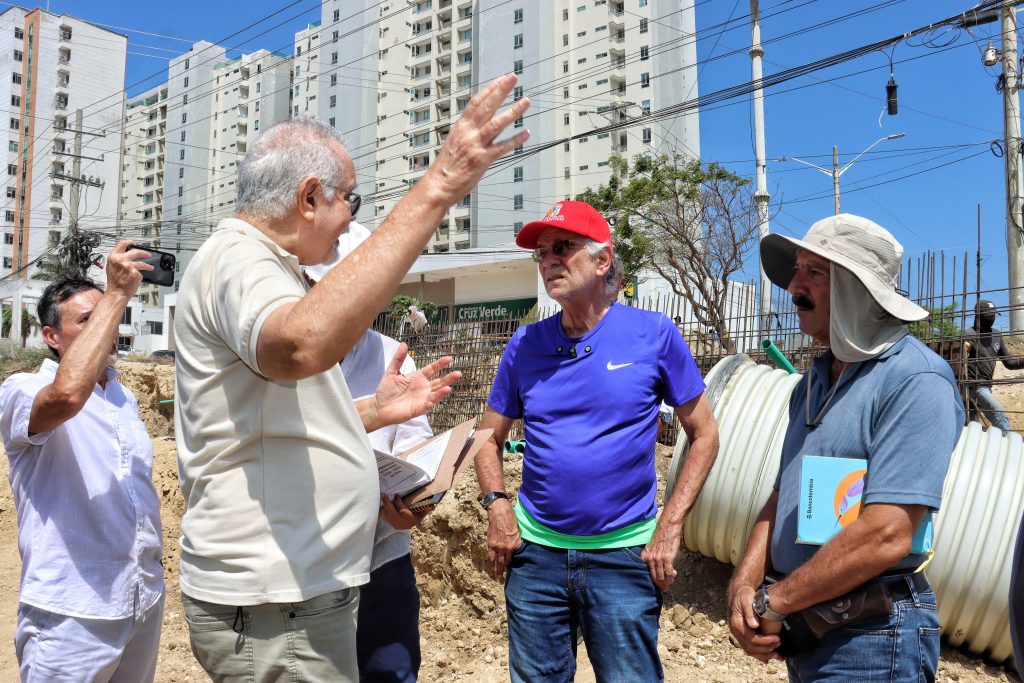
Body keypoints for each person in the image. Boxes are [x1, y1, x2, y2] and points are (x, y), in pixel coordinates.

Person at [173, 74, 529, 682]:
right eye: (351, 201)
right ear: (310, 197)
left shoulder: (260, 266)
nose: (349, 222)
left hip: (301, 591)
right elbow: (300, 344)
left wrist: (369, 412)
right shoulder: (239, 258)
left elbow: (270, 422)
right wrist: (440, 183)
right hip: (278, 599)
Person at [474, 200, 720, 682]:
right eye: (541, 253)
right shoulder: (525, 345)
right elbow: (487, 437)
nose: (548, 261)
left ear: (602, 260)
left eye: (562, 248)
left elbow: (705, 434)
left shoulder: (653, 335)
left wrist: (670, 526)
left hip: (623, 556)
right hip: (536, 557)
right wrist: (497, 507)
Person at [727, 214, 965, 681]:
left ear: (860, 291)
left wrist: (775, 601)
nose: (793, 287)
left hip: (874, 636)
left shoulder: (916, 380)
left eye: (814, 273)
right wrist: (745, 583)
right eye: (797, 270)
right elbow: (782, 496)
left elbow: (887, 533)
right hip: (812, 627)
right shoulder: (812, 383)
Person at [0, 244, 165, 682]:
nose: (105, 328)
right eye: (86, 320)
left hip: (141, 599)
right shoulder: (23, 389)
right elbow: (66, 397)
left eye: (107, 317)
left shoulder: (122, 397)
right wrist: (116, 294)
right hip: (72, 611)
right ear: (52, 337)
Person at [305, 231, 433, 682]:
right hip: (306, 563)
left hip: (382, 556)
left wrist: (416, 502)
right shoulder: (283, 363)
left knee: (390, 672)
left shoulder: (392, 356)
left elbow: (416, 447)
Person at [962, 299, 1023, 434]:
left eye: (993, 315)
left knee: (972, 425)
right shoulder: (969, 334)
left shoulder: (996, 335)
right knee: (1000, 416)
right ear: (978, 316)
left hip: (987, 386)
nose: (991, 318)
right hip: (974, 385)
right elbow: (958, 361)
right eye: (988, 316)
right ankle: (1008, 444)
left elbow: (1009, 362)